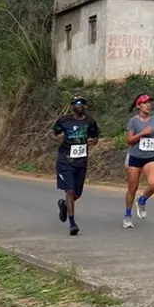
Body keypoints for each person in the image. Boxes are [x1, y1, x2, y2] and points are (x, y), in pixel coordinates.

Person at [51, 94, 100, 237]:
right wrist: (57, 138)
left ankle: (65, 205)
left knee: (77, 194)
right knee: (70, 190)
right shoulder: (64, 121)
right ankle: (72, 223)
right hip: (65, 161)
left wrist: (94, 141)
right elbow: (52, 134)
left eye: (82, 103)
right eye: (77, 103)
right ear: (72, 106)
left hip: (81, 162)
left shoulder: (90, 122)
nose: (80, 105)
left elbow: (95, 137)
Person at [124, 94, 154, 229]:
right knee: (132, 188)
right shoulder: (133, 121)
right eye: (144, 103)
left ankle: (142, 200)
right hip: (135, 157)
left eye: (149, 103)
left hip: (150, 156)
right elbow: (129, 140)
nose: (148, 105)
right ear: (138, 106)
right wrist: (142, 133)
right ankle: (128, 215)